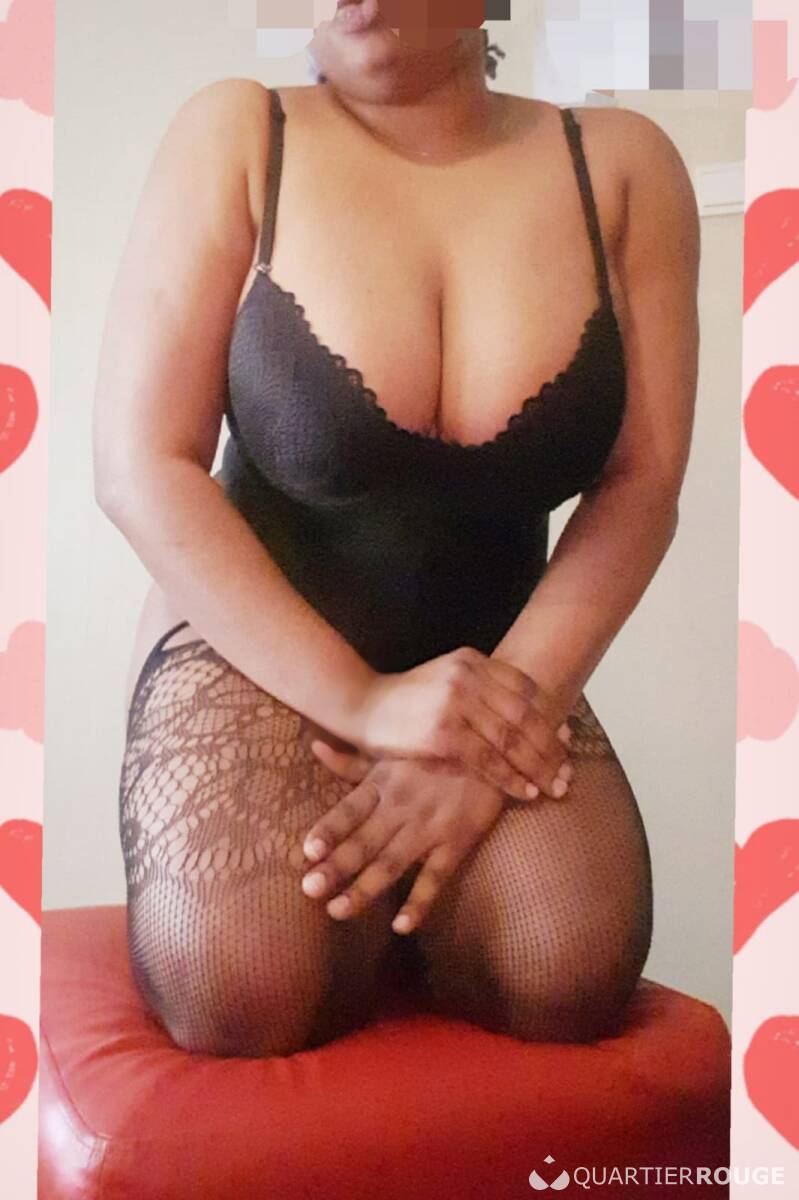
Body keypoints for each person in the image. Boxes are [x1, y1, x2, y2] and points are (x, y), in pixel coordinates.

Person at [93, 8, 700, 1059]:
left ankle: (404, 921)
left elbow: (641, 484)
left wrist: (496, 725)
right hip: (260, 654)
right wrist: (366, 704)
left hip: (497, 663)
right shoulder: (239, 131)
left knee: (566, 968)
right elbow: (140, 464)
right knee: (240, 983)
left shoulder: (621, 164)